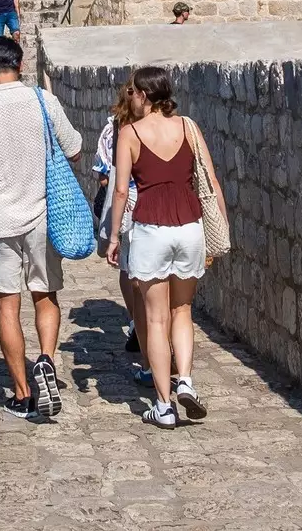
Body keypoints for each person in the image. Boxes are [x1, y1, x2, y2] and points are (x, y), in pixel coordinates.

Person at [0, 35, 84, 421]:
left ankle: (23, 394)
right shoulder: (43, 101)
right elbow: (74, 148)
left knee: (7, 304)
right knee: (46, 295)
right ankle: (45, 360)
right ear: (20, 65)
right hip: (42, 216)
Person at [109, 66, 227, 428]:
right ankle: (186, 380)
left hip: (151, 229)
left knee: (156, 319)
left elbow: (119, 190)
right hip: (189, 227)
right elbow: (210, 180)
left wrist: (114, 236)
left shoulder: (129, 133)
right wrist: (219, 228)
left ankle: (163, 404)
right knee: (183, 310)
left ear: (143, 95)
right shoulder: (188, 127)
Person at [93, 81, 147, 357]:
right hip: (156, 202)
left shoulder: (112, 129)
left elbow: (104, 176)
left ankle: (137, 320)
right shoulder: (162, 125)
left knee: (128, 266)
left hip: (126, 205)